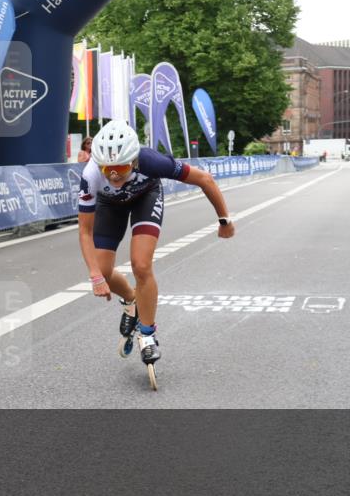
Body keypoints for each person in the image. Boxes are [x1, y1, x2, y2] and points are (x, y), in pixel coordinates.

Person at [77, 120, 235, 371]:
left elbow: (204, 179)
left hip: (145, 197)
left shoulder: (151, 161)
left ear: (134, 161)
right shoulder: (91, 174)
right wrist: (95, 275)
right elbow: (84, 230)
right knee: (104, 270)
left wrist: (224, 219)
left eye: (121, 168)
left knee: (141, 265)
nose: (115, 176)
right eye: (108, 170)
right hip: (110, 206)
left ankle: (147, 334)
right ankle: (131, 300)